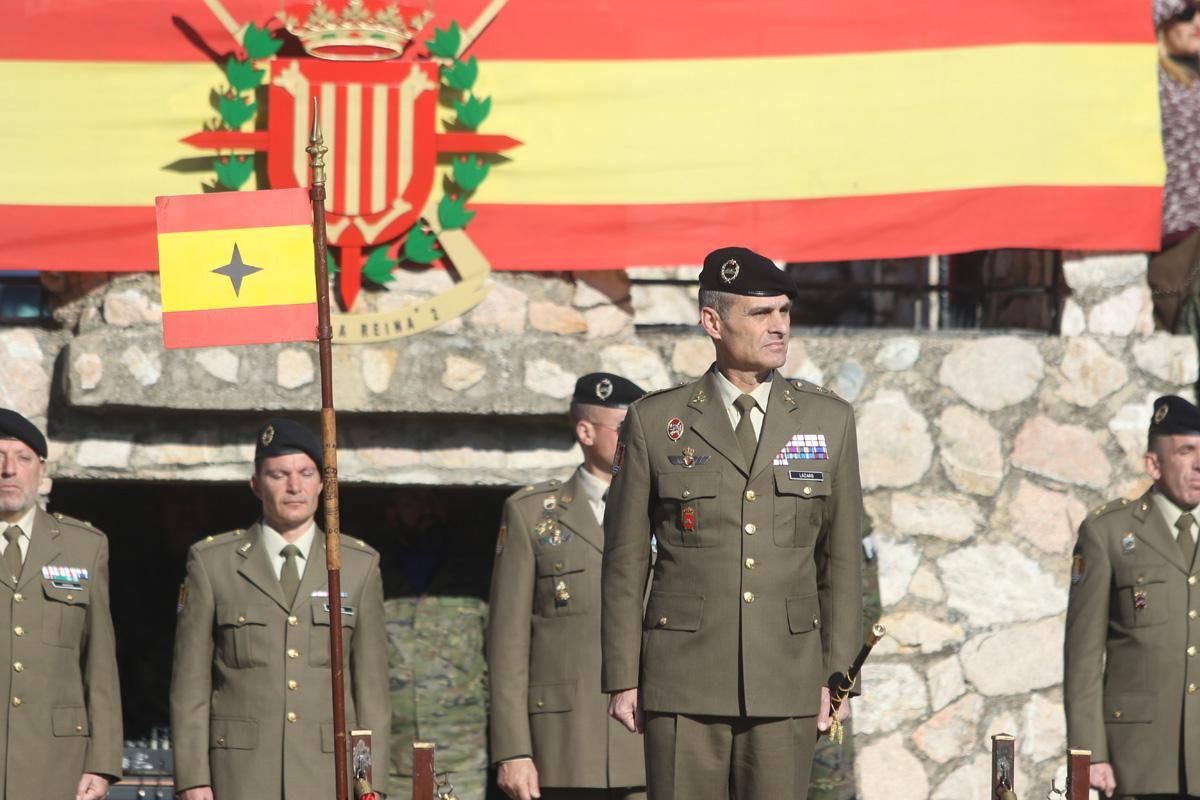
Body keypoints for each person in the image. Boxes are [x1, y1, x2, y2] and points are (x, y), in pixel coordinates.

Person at [601, 247, 864, 800]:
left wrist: (836, 679)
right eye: (760, 314)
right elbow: (625, 557)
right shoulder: (656, 421)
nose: (779, 327)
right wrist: (624, 675)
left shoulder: (827, 420)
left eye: (784, 312)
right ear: (713, 322)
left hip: (787, 678)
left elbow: (839, 562)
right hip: (682, 681)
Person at [170, 418, 390, 799]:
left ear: (324, 483)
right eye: (279, 474)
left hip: (326, 775)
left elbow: (370, 693)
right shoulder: (213, 563)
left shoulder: (358, 566)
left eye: (306, 473)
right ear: (255, 485)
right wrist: (193, 779)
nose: (294, 486)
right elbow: (190, 686)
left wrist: (368, 784)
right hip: (240, 775)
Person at [489, 373, 648, 800]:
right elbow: (508, 643)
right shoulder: (530, 514)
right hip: (563, 746)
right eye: (624, 429)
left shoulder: (666, 510)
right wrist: (513, 750)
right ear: (585, 431)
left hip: (651, 743)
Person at [1065, 395, 1200, 800]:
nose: (1199, 464)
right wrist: (1089, 755)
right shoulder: (1107, 533)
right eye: (1185, 451)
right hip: (1137, 763)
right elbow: (1083, 655)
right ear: (1153, 464)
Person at [0, 408, 122, 799]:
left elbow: (100, 661)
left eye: (22, 459)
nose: (8, 470)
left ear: (41, 470)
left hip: (57, 762)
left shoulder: (84, 546)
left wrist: (101, 762)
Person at [384, 488, 490, 800]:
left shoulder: (476, 576)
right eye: (413, 500)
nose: (426, 508)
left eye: (433, 500)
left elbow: (503, 659)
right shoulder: (372, 574)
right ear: (391, 512)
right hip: (392, 760)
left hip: (461, 760)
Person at [806, 514, 882, 800]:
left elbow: (866, 607)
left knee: (827, 790)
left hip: (821, 687)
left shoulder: (845, 515)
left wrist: (827, 670)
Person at [1147, 0, 1200, 333]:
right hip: (1179, 236)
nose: (1197, 20)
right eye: (1185, 14)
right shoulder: (1155, 78)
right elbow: (1137, 20)